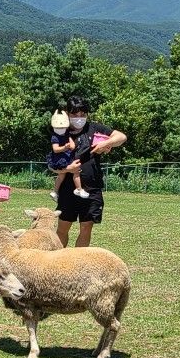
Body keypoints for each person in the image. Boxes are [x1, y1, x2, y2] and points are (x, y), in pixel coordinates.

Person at [54, 95, 127, 247]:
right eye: (75, 114)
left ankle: (78, 265)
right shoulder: (60, 132)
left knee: (86, 228)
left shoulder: (94, 128)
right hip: (67, 188)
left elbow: (121, 137)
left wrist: (106, 143)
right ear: (67, 114)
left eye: (83, 114)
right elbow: (51, 164)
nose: (79, 118)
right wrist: (68, 169)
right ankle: (57, 264)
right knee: (62, 228)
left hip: (92, 188)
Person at [47, 109, 89, 202]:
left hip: (66, 157)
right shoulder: (55, 137)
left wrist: (70, 145)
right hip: (60, 159)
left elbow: (73, 145)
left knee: (63, 175)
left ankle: (55, 191)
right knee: (74, 172)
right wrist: (65, 147)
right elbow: (55, 149)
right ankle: (78, 189)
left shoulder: (66, 134)